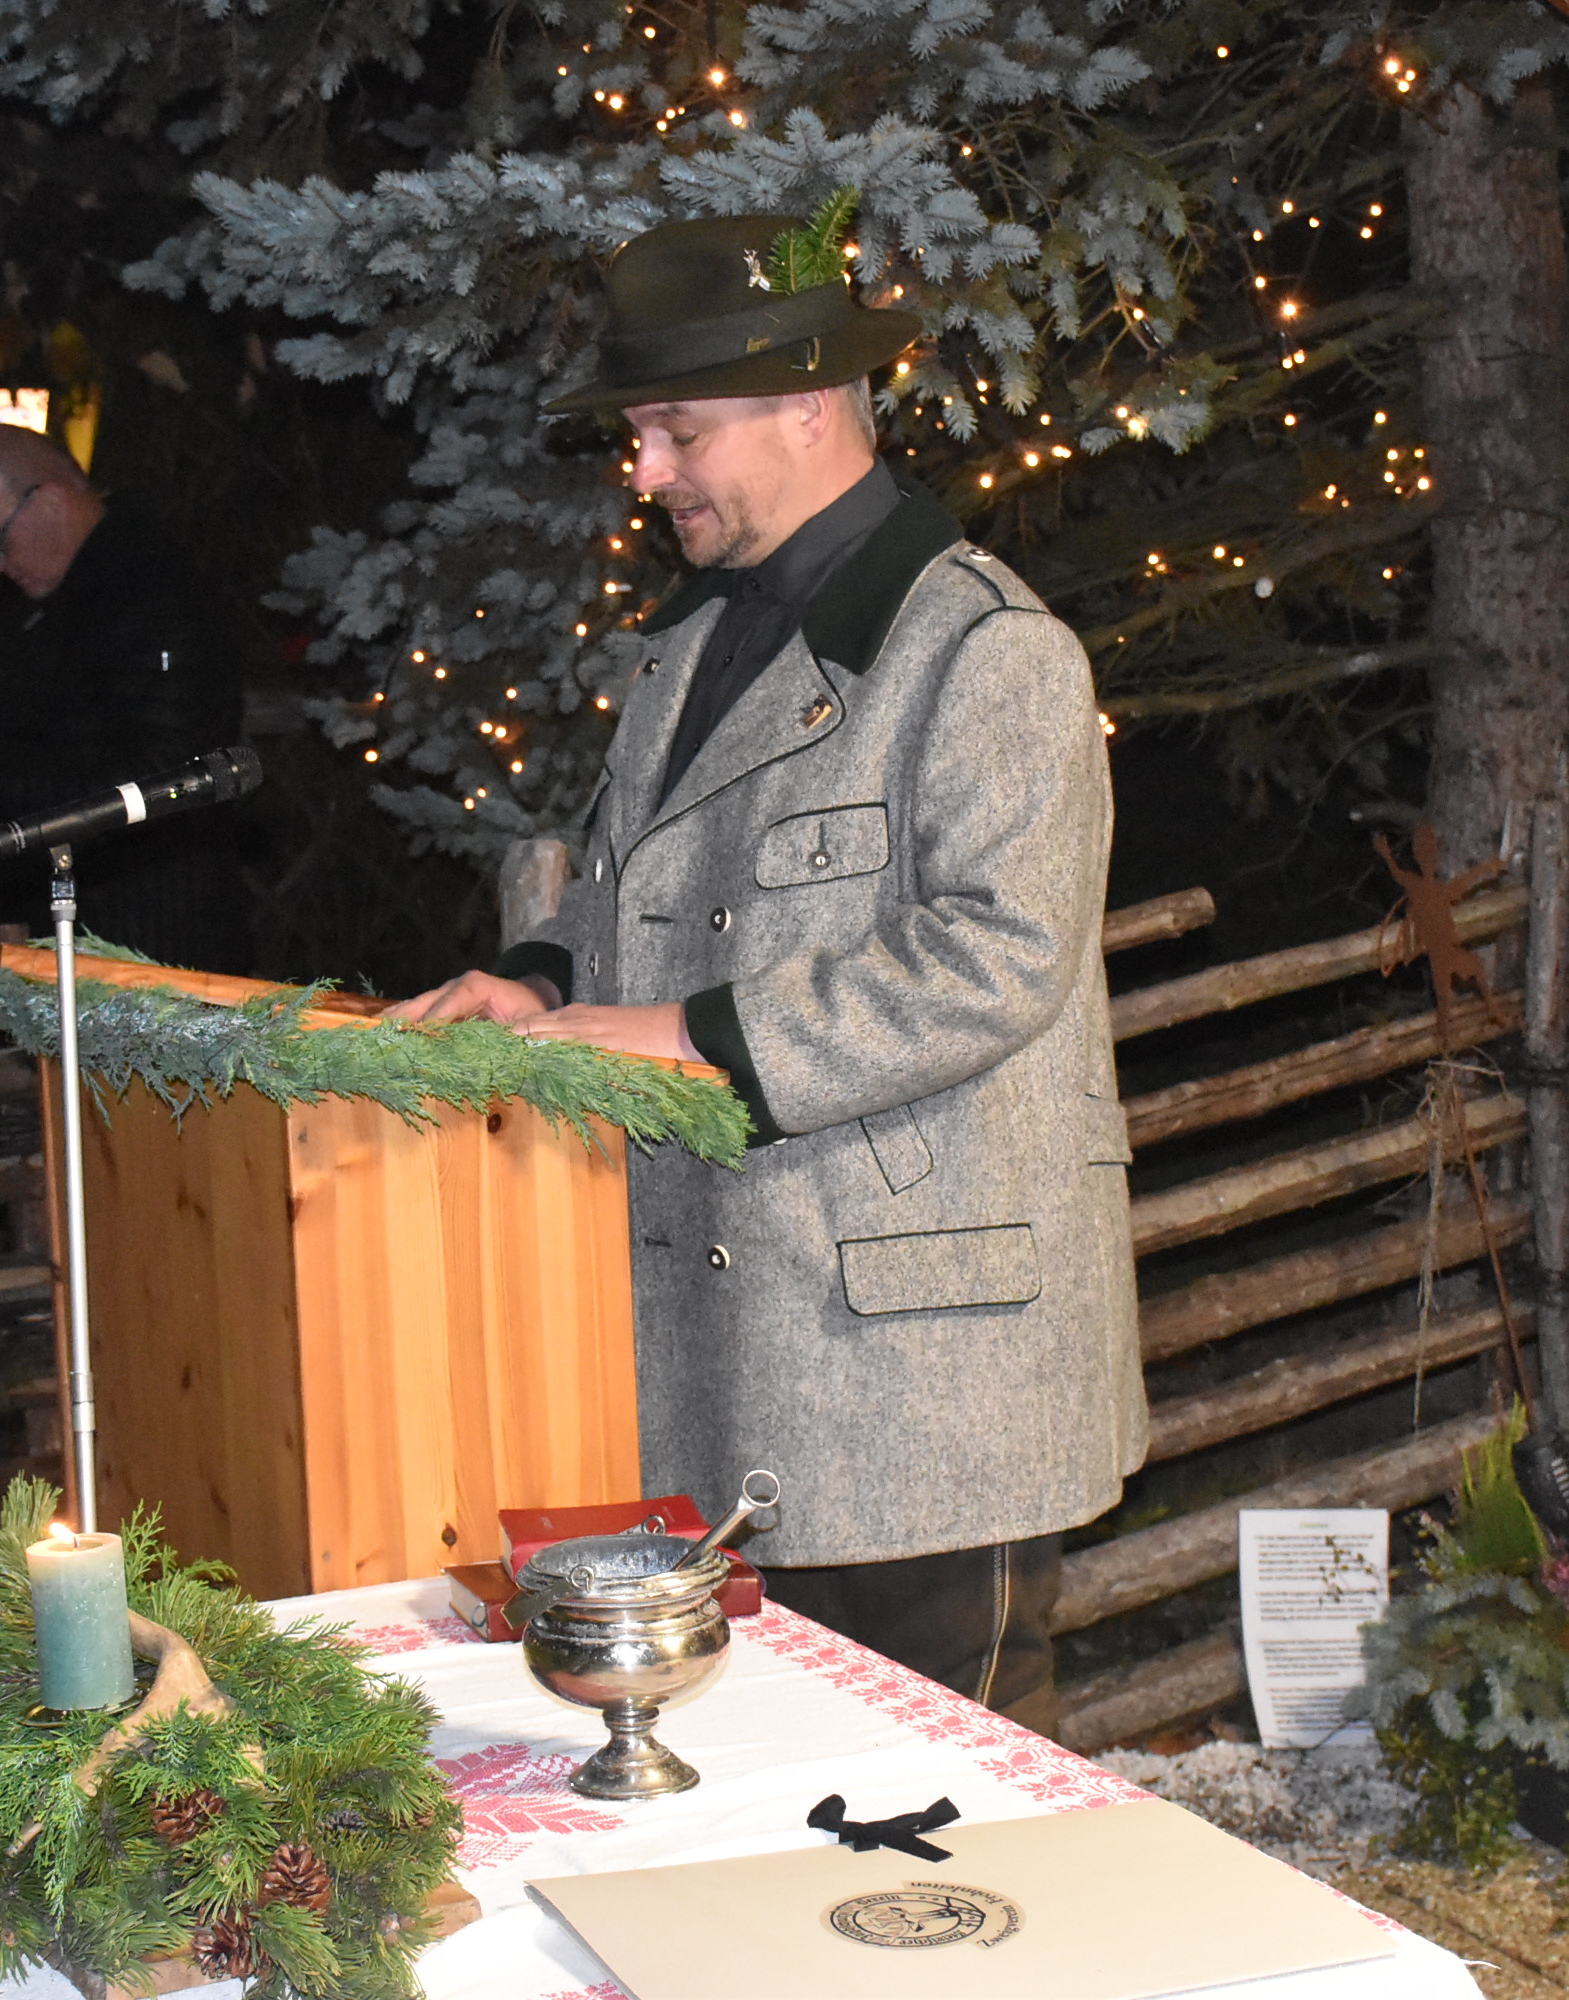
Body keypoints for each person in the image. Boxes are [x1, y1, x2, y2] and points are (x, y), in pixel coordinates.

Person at [388, 209, 1144, 1730]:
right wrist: (537, 984)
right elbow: (631, 899)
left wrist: (686, 1036)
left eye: (677, 432)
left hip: (935, 1388)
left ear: (807, 402)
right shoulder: (683, 649)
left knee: (957, 1822)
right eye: (640, 436)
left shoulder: (988, 649)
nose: (645, 471)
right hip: (725, 1371)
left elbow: (1000, 953)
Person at [0, 424, 253, 973]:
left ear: (50, 499)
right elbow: (44, 730)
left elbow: (163, 783)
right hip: (77, 939)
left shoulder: (153, 592)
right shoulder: (58, 596)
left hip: (154, 955)